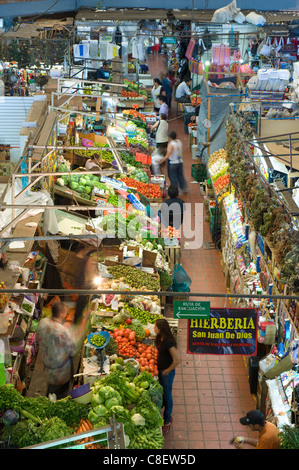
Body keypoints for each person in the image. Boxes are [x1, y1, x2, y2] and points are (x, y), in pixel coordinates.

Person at [36, 302, 89, 399]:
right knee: (59, 394)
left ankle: (49, 397)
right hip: (60, 372)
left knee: (51, 389)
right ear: (61, 314)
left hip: (47, 366)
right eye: (65, 312)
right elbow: (72, 350)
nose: (67, 314)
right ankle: (53, 405)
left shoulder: (43, 322)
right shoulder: (62, 331)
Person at [154, 318, 180, 434]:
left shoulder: (169, 342)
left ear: (161, 329)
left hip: (167, 373)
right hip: (160, 370)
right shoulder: (160, 337)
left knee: (168, 396)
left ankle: (167, 420)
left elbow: (177, 360)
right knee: (163, 392)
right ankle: (164, 413)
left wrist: (167, 370)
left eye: (155, 327)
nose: (153, 328)